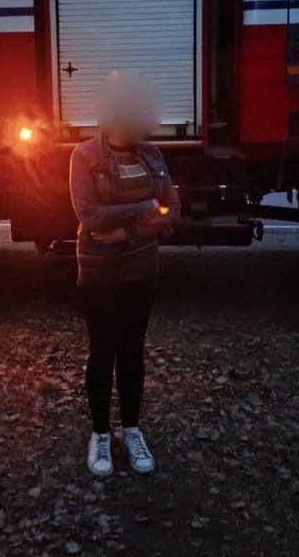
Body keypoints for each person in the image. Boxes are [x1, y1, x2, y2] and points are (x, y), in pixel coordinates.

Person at [68, 71, 180, 476]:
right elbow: (89, 216)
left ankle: (131, 428)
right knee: (102, 351)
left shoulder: (152, 155)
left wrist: (129, 227)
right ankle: (100, 433)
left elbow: (173, 210)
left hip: (140, 269)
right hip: (98, 271)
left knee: (132, 350)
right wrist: (146, 210)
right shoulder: (84, 156)